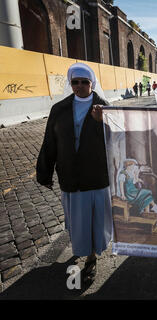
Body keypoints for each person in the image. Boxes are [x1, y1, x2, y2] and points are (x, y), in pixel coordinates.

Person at [36, 62, 112, 283]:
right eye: (75, 82)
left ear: (92, 83)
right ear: (70, 83)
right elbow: (50, 142)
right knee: (78, 220)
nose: (79, 86)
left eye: (84, 82)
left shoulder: (104, 107)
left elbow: (116, 141)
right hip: (70, 175)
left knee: (94, 220)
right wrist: (45, 172)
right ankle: (83, 249)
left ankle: (91, 257)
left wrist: (101, 123)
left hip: (96, 177)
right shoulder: (59, 109)